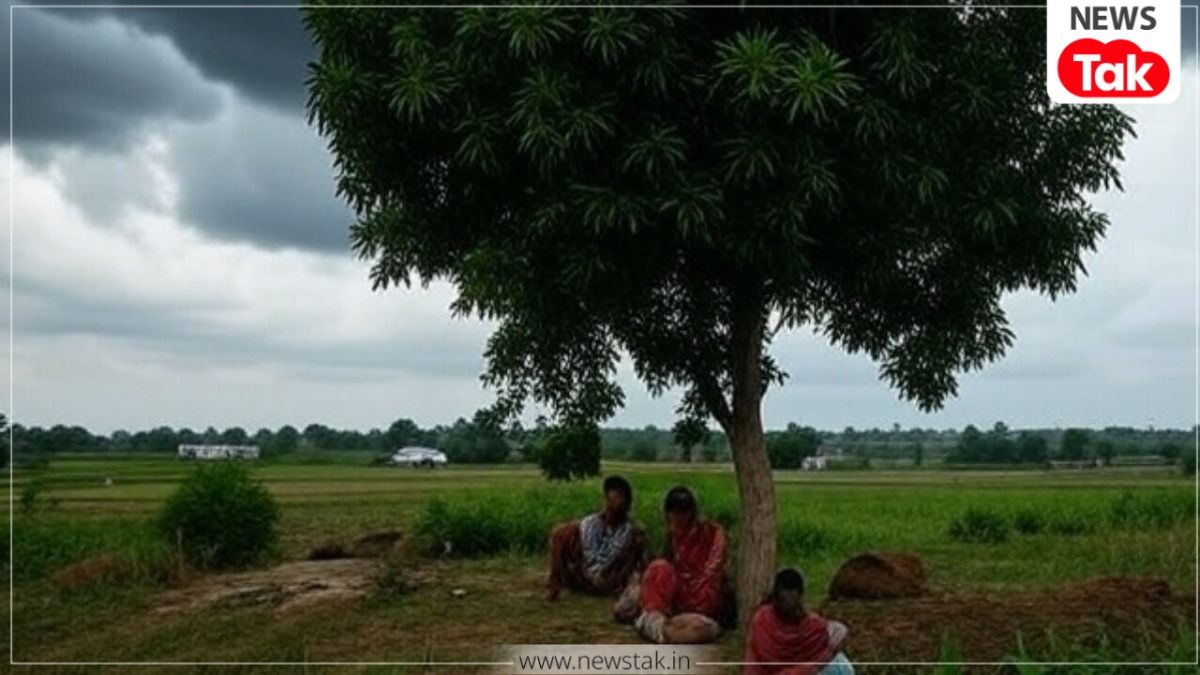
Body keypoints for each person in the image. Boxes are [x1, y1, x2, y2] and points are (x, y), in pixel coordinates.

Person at [633, 485, 730, 644]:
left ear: (691, 513)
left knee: (698, 626)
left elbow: (713, 570)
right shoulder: (672, 535)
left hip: (703, 597)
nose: (678, 518)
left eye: (682, 513)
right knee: (658, 568)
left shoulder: (712, 532)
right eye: (674, 514)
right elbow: (667, 567)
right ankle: (660, 625)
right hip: (679, 596)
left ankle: (660, 628)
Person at [546, 475, 648, 600]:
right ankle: (555, 584)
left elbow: (643, 561)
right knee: (560, 533)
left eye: (620, 499)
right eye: (612, 499)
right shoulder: (590, 524)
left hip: (611, 580)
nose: (616, 504)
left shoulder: (633, 531)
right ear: (605, 499)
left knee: (637, 542)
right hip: (583, 575)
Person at [743, 568, 854, 675]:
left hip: (805, 670)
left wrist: (838, 632)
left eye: (791, 596)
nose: (787, 602)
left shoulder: (808, 624)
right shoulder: (763, 620)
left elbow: (833, 632)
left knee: (841, 665)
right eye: (784, 597)